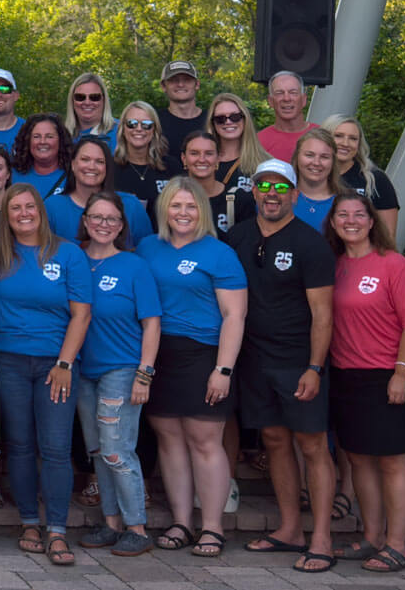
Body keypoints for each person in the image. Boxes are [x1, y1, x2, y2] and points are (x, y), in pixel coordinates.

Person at [224, 159, 337, 571]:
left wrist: (315, 367)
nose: (271, 194)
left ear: (293, 194)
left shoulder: (311, 243)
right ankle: (290, 530)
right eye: (264, 187)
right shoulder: (237, 236)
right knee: (273, 440)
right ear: (253, 192)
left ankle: (321, 538)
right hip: (254, 359)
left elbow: (323, 314)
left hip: (297, 360)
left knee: (312, 445)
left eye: (280, 188)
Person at [137, 177, 248, 558]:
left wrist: (224, 369)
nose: (182, 213)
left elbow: (234, 316)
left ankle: (213, 527)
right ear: (163, 208)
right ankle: (182, 521)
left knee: (205, 442)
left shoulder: (219, 253)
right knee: (169, 441)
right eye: (175, 205)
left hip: (203, 354)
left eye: (190, 206)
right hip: (158, 356)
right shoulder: (147, 247)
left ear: (202, 211)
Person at [325, 192, 405, 573]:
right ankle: (371, 537)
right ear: (333, 222)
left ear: (372, 222)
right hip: (347, 376)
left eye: (359, 214)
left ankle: (397, 545)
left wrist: (402, 373)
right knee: (359, 460)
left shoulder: (395, 265)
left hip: (388, 377)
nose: (351, 220)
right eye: (342, 215)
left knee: (391, 462)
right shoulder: (333, 266)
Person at [0, 182, 91, 566]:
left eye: (29, 206)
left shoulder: (68, 254)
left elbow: (81, 314)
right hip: (9, 360)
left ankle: (58, 530)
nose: (23, 214)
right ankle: (29, 522)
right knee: (19, 445)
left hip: (56, 364)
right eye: (15, 208)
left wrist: (64, 363)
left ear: (41, 211)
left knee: (55, 447)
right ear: (7, 215)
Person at [72, 193, 160, 558]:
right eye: (97, 217)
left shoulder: (134, 266)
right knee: (97, 451)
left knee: (116, 450)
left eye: (111, 219)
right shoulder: (75, 261)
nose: (103, 224)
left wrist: (145, 373)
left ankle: (136, 527)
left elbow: (152, 323)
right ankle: (110, 524)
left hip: (122, 370)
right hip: (83, 372)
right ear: (86, 221)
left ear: (122, 226)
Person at [44, 136, 154, 244]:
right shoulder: (52, 207)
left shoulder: (130, 205)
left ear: (107, 167)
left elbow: (147, 251)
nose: (92, 166)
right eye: (85, 159)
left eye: (100, 161)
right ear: (73, 164)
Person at [326, 115, 400, 236]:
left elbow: (388, 236)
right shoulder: (312, 177)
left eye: (353, 138)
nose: (346, 143)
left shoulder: (375, 179)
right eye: (338, 136)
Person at [206, 94, 268, 194]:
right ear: (212, 123)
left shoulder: (265, 163)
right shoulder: (203, 162)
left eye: (235, 117)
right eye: (220, 119)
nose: (228, 122)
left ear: (245, 119)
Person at [113, 102, 170, 207]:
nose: (139, 129)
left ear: (154, 130)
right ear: (123, 129)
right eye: (132, 123)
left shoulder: (171, 167)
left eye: (146, 124)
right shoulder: (109, 169)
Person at [290, 127, 342, 232]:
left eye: (324, 157)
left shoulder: (346, 202)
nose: (316, 163)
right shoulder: (279, 196)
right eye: (309, 155)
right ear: (297, 157)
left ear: (333, 162)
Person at [257, 71, 316, 161]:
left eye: (293, 92)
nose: (286, 98)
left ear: (304, 100)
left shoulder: (321, 136)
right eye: (279, 93)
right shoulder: (259, 142)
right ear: (270, 101)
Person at [10, 114, 72, 198]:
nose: (42, 142)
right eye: (36, 136)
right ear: (27, 141)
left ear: (61, 140)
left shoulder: (73, 175)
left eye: (49, 136)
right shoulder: (13, 174)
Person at [157, 61, 204, 170]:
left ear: (197, 84)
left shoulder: (213, 120)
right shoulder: (154, 121)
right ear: (163, 86)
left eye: (187, 80)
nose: (181, 84)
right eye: (174, 80)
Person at [64, 73, 117, 150]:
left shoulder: (121, 133)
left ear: (104, 100)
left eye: (94, 97)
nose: (87, 102)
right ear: (72, 100)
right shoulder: (62, 136)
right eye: (80, 97)